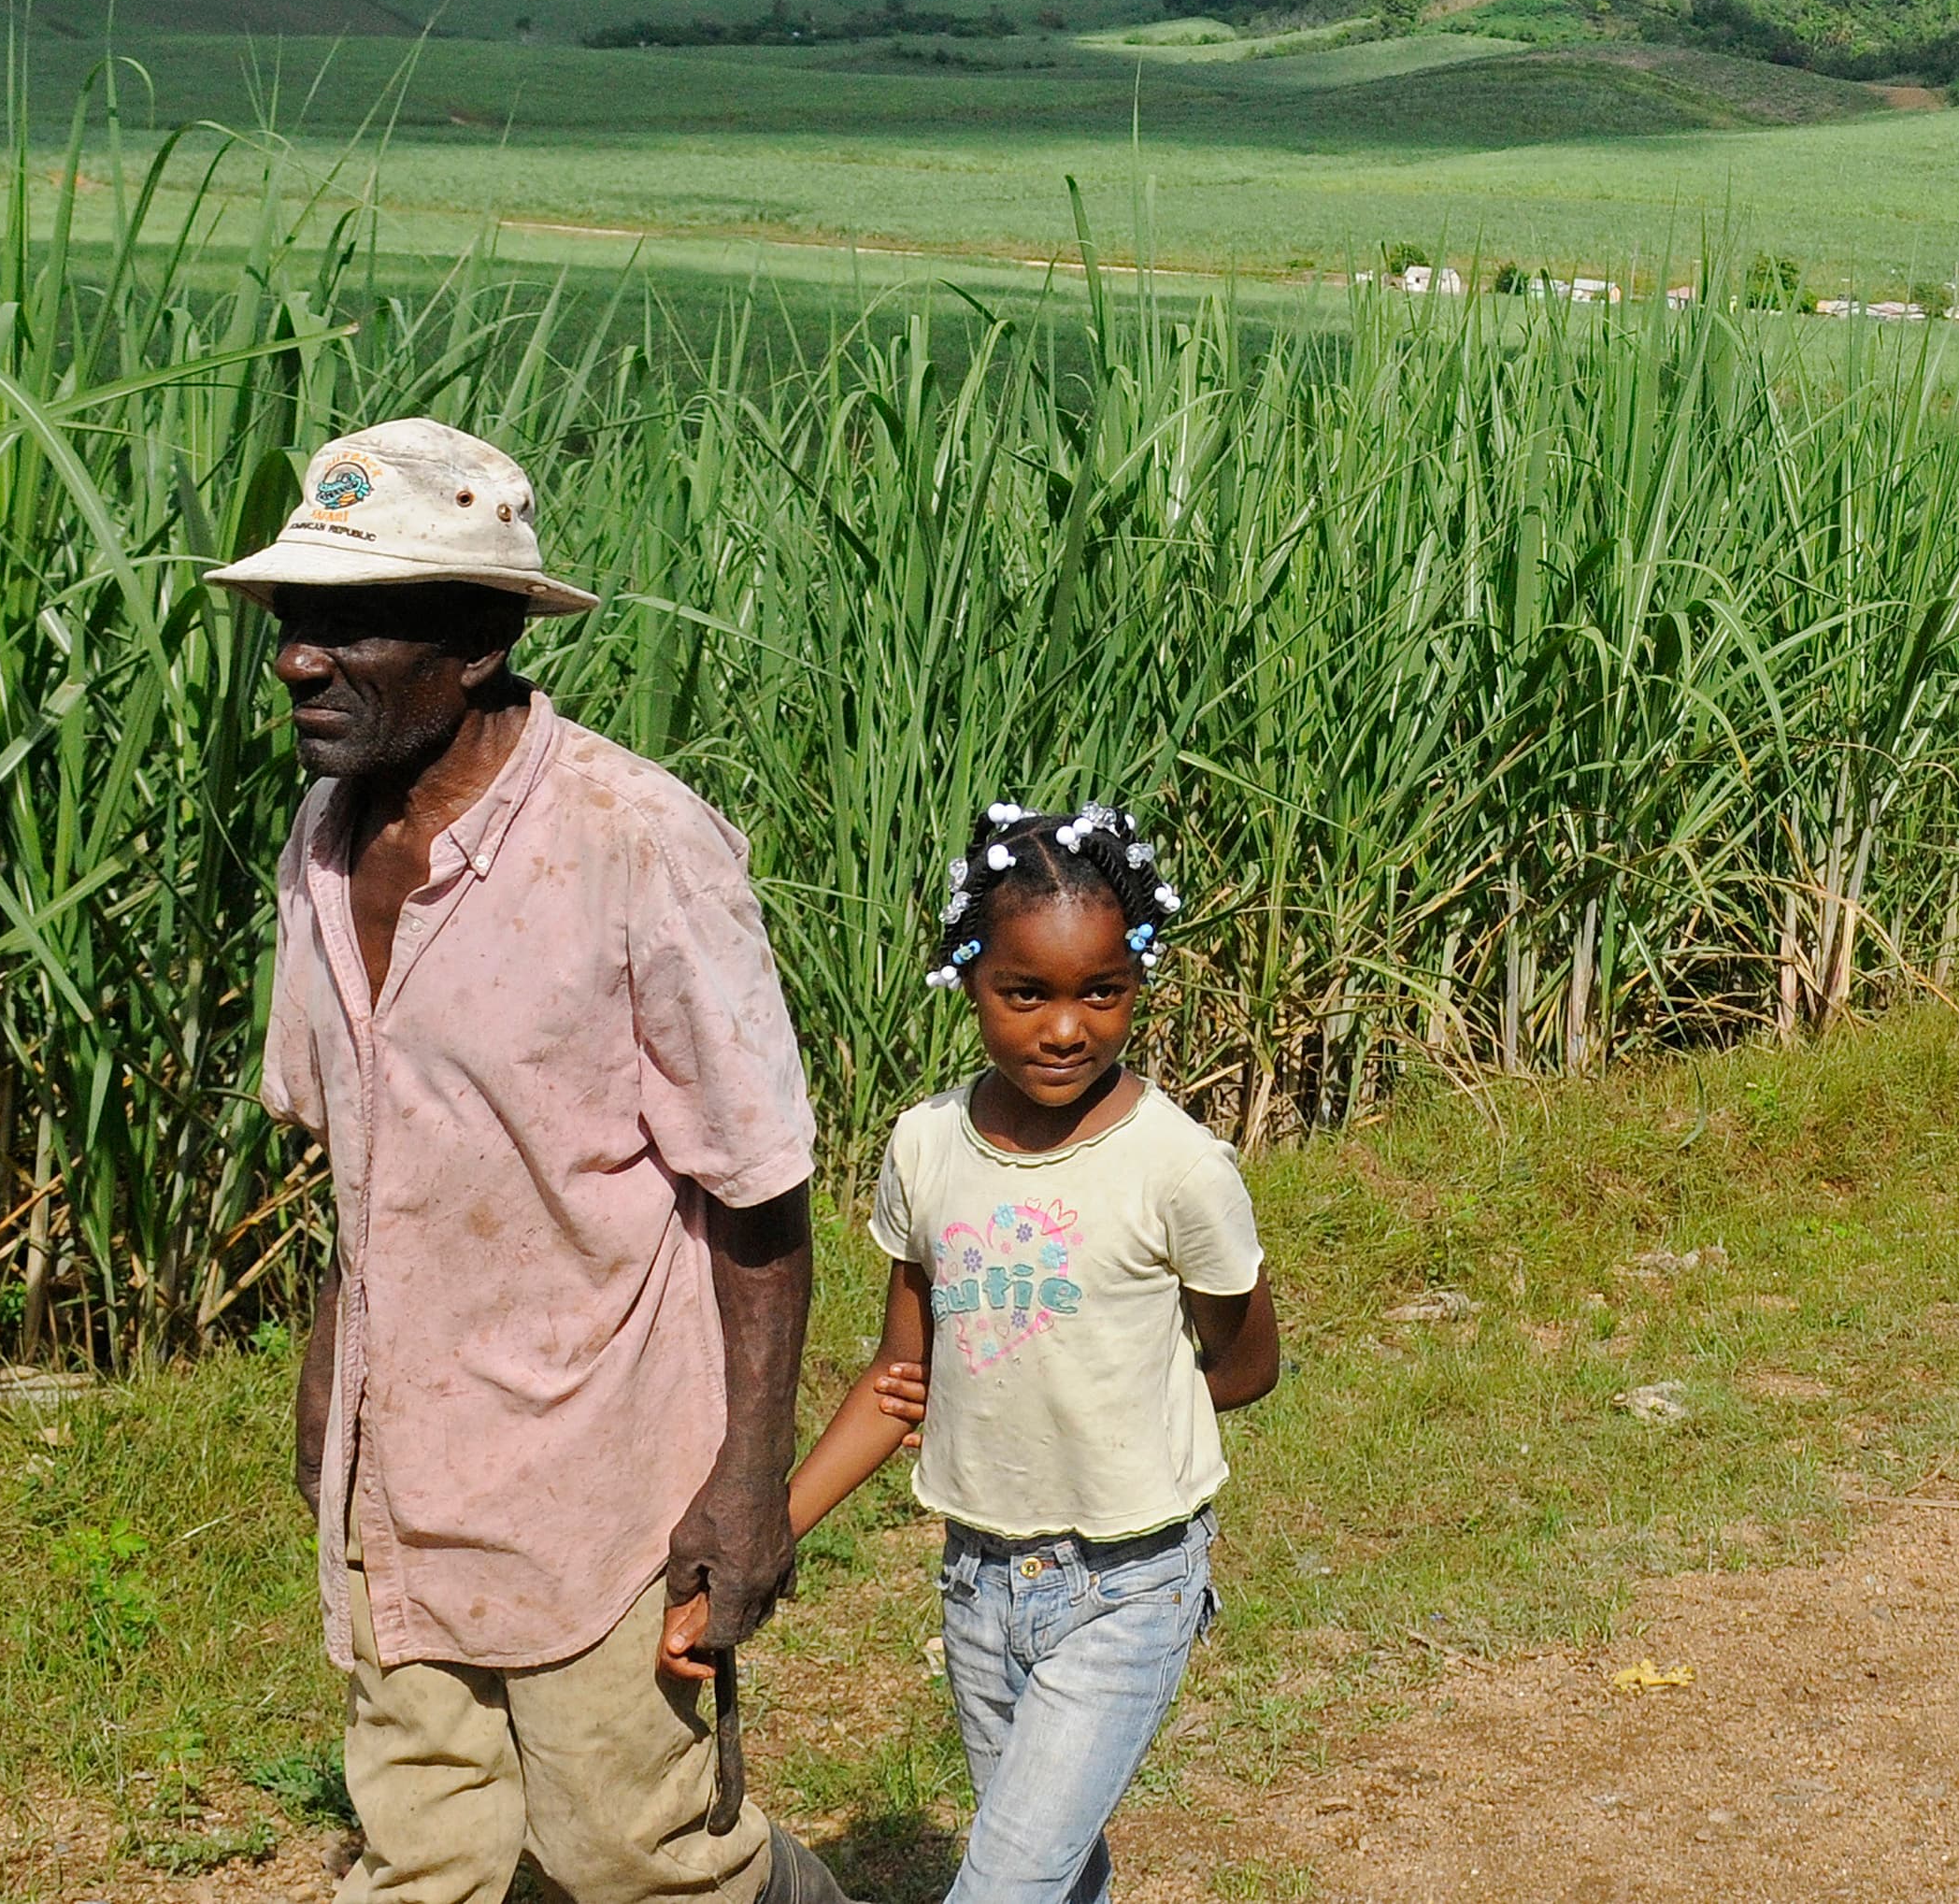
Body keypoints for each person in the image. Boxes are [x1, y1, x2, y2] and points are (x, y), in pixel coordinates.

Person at [207, 417, 856, 1904]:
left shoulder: (637, 844)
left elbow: (760, 1194)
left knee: (629, 1859)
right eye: (295, 623)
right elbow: (361, 1158)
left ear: (482, 639)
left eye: (351, 625)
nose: (299, 662)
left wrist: (749, 1486)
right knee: (425, 1849)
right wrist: (332, 1372)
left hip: (605, 1467)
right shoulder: (322, 836)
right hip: (404, 1458)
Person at [774, 802, 1280, 1904]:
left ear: (1137, 979)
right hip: (979, 1581)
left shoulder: (1178, 1166)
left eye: (1102, 991)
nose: (1066, 1027)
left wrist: (1121, 1400)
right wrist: (767, 1532)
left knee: (1004, 1883)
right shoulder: (922, 1148)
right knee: (1056, 1868)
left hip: (1126, 1583)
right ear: (967, 977)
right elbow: (898, 1378)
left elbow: (1243, 1363)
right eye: (1026, 992)